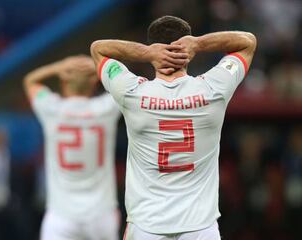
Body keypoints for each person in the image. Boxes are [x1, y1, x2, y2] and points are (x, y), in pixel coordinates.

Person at [90, 15, 256, 240]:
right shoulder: (213, 89)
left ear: (153, 46)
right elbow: (247, 42)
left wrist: (148, 53)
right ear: (187, 50)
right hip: (200, 228)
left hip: (146, 227)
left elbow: (98, 49)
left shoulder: (132, 93)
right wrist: (198, 43)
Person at [24, 55, 121, 240]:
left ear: (63, 80)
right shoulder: (106, 107)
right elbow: (125, 84)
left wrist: (57, 66)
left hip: (61, 215)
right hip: (101, 213)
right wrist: (99, 67)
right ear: (95, 80)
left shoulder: (52, 108)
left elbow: (30, 81)